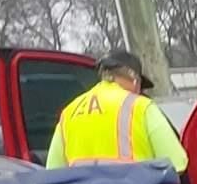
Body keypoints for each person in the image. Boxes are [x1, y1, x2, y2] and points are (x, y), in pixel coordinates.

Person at [46, 50, 187, 172]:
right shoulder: (140, 107)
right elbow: (178, 163)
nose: (140, 92)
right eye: (140, 87)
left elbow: (53, 171)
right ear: (135, 81)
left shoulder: (69, 113)